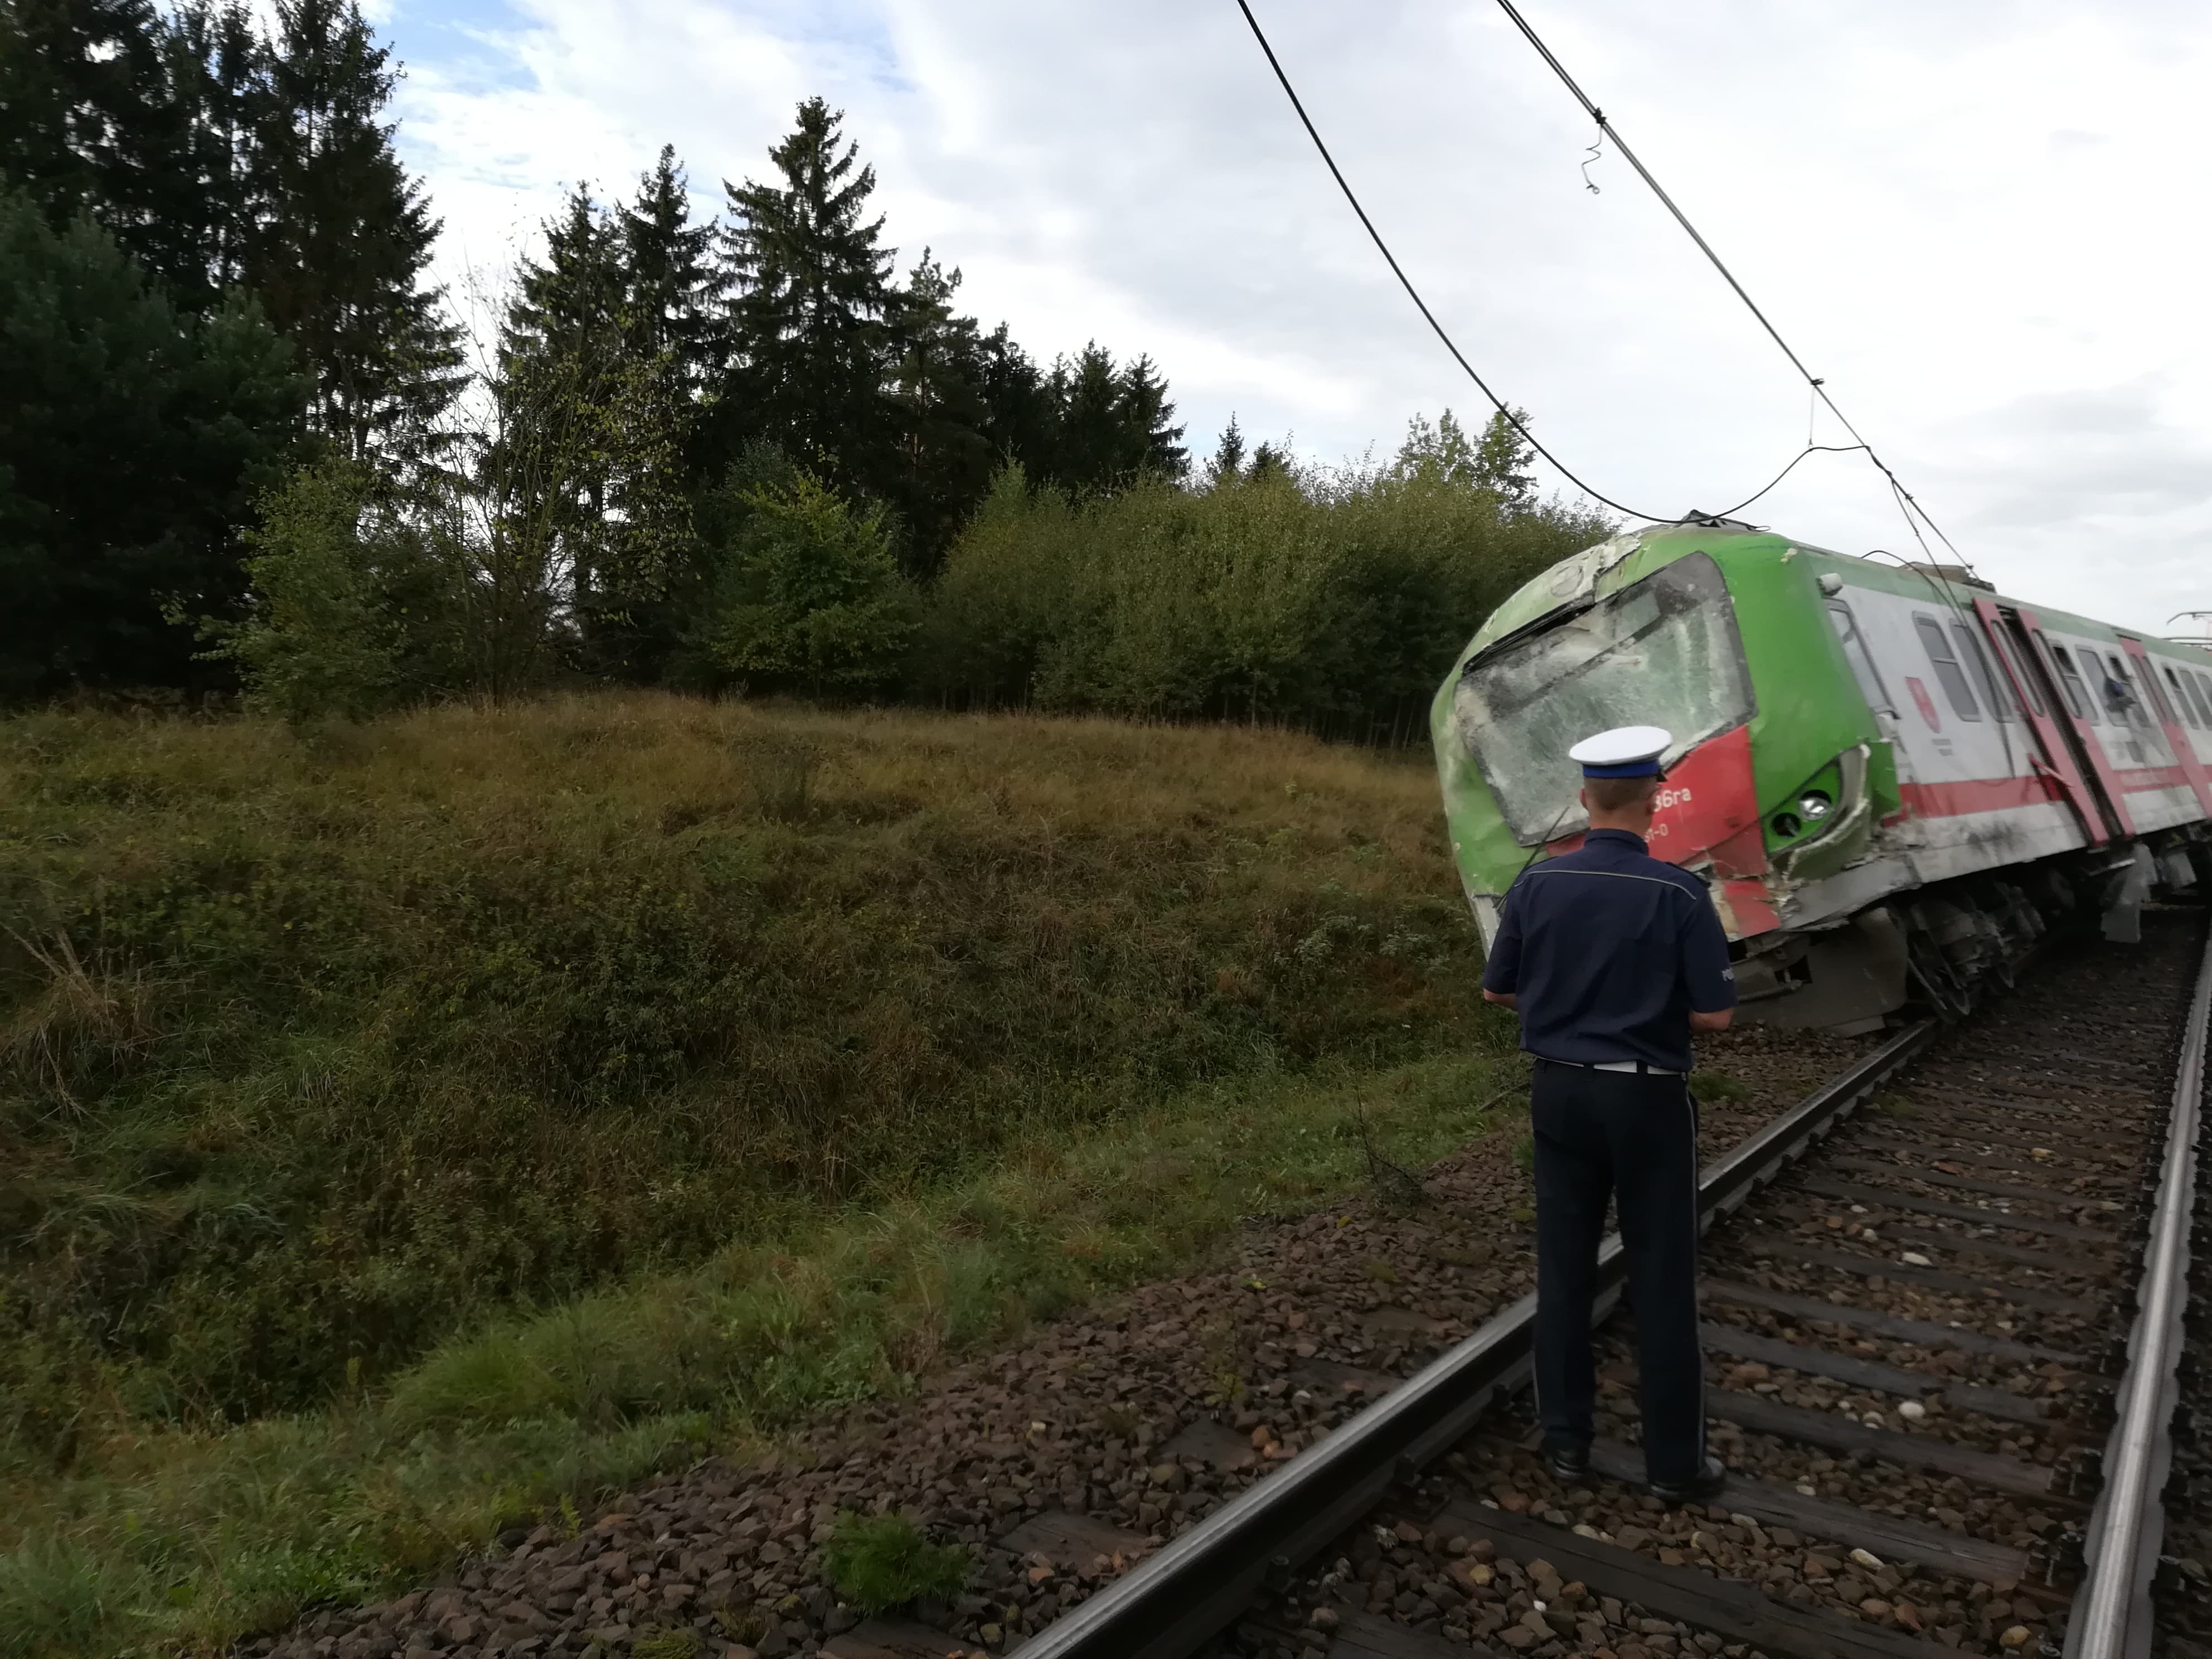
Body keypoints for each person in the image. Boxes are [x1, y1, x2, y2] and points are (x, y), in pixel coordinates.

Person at [1478, 724, 1738, 1505]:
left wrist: (1564, 1008)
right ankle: (1673, 1469)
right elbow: (1715, 1018)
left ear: (1586, 800)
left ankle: (1566, 1446)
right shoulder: (1680, 894)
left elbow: (1498, 989)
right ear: (1654, 801)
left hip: (1559, 1092)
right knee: (1662, 1278)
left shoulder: (1535, 888)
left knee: (1563, 1271)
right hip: (1647, 1098)